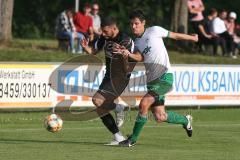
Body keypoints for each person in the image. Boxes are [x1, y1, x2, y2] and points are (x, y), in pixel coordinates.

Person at [113, 10, 198, 147]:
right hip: (152, 82)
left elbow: (174, 36)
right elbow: (140, 57)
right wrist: (127, 53)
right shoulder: (137, 42)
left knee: (144, 104)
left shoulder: (154, 31)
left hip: (165, 77)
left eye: (136, 23)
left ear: (143, 23)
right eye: (131, 24)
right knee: (160, 116)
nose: (133, 26)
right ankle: (185, 120)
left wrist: (192, 38)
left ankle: (132, 140)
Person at [80, 16, 136, 145]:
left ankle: (118, 107)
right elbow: (93, 51)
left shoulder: (126, 40)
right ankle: (118, 137)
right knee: (100, 108)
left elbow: (128, 68)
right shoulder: (104, 38)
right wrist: (85, 47)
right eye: (102, 31)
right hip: (109, 76)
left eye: (106, 31)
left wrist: (123, 55)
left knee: (97, 100)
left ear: (114, 28)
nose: (103, 34)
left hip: (121, 77)